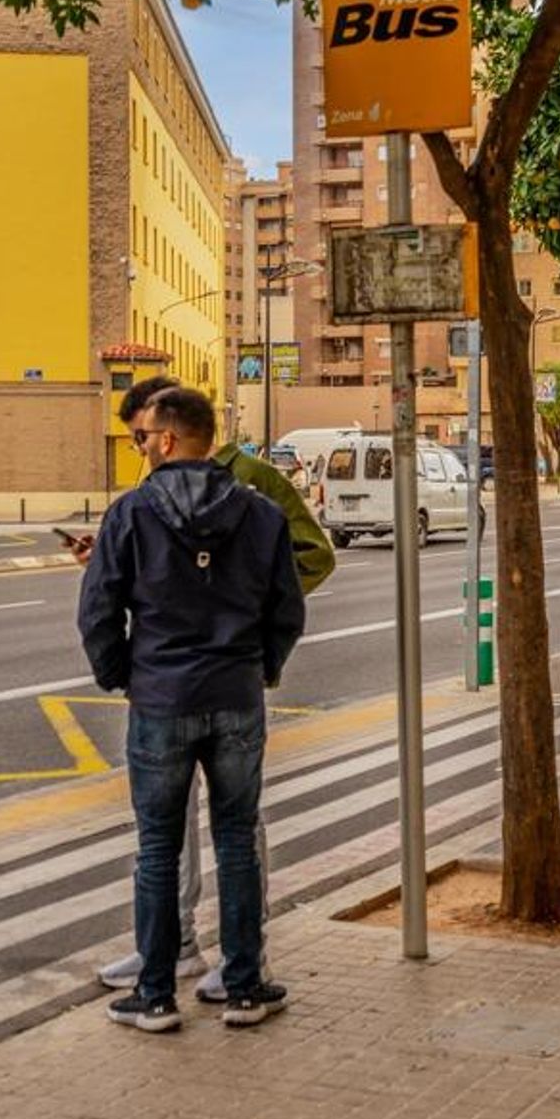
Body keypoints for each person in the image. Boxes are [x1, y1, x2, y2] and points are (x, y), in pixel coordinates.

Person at [83, 375, 333, 1001]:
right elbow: (286, 611)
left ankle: (156, 993)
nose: (138, 446)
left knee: (159, 845)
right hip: (235, 694)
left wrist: (124, 675)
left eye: (142, 437)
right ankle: (245, 986)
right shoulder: (258, 509)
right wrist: (261, 665)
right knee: (236, 837)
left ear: (167, 439)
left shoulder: (133, 510)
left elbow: (97, 612)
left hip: (162, 696)